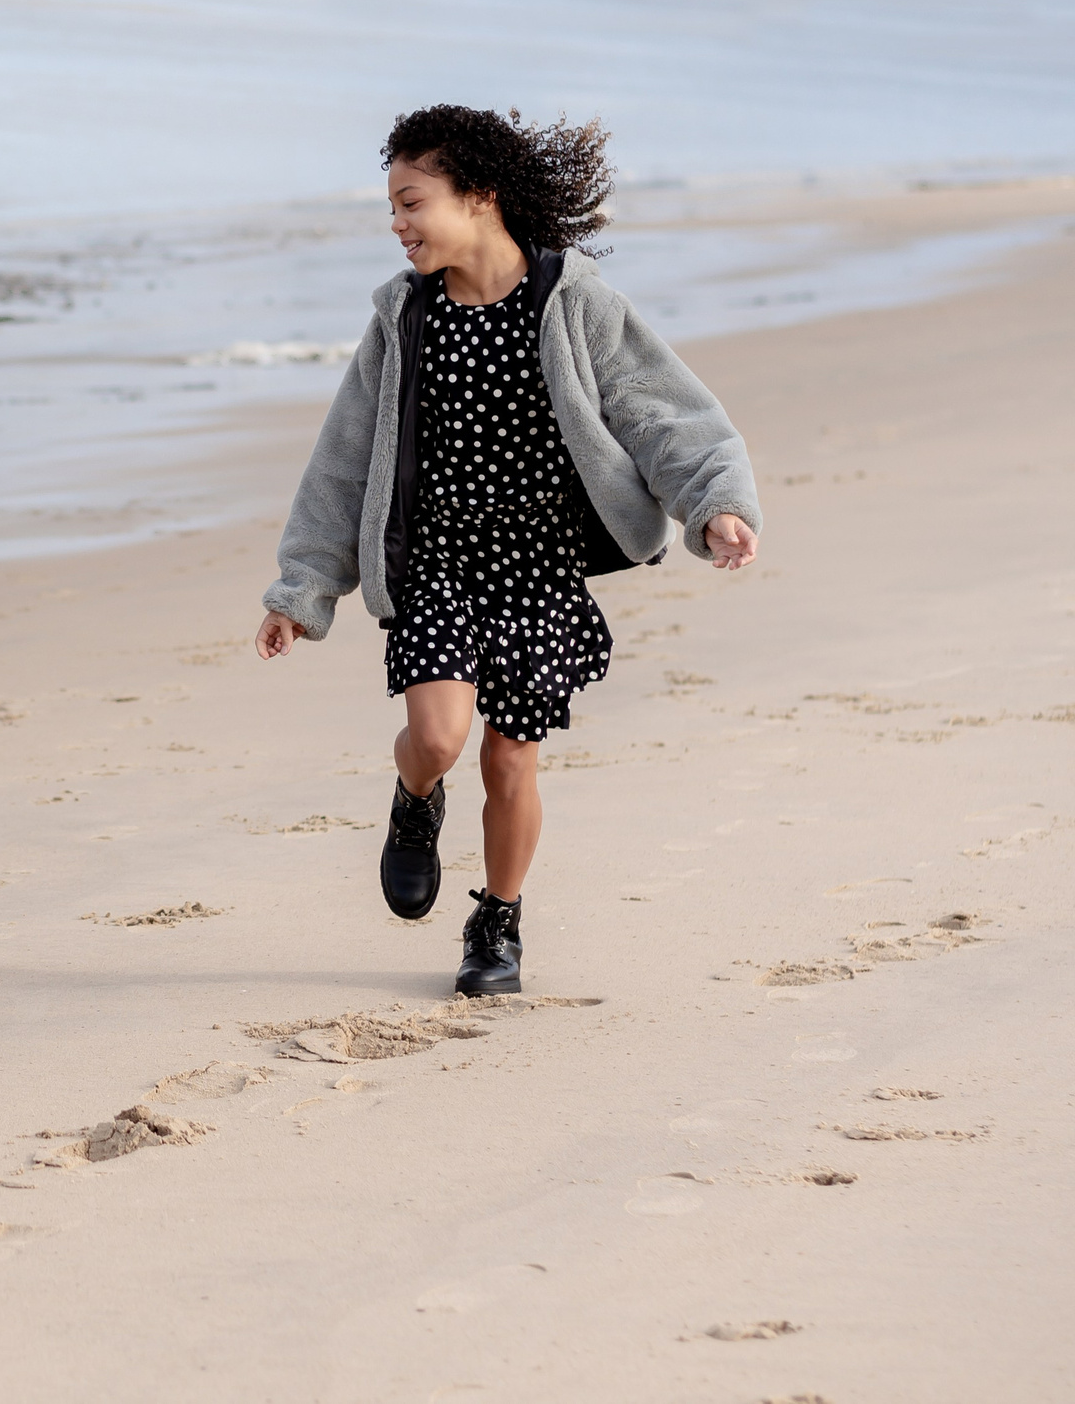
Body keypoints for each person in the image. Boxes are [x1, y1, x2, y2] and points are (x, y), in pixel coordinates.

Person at [256, 106, 760, 996]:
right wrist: (304, 589)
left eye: (413, 202)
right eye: (391, 209)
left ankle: (498, 924)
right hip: (438, 559)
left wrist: (714, 504)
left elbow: (659, 412)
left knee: (510, 756)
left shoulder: (573, 303)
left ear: (479, 196)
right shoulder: (407, 318)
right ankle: (414, 803)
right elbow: (344, 456)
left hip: (538, 562)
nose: (399, 225)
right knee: (439, 736)